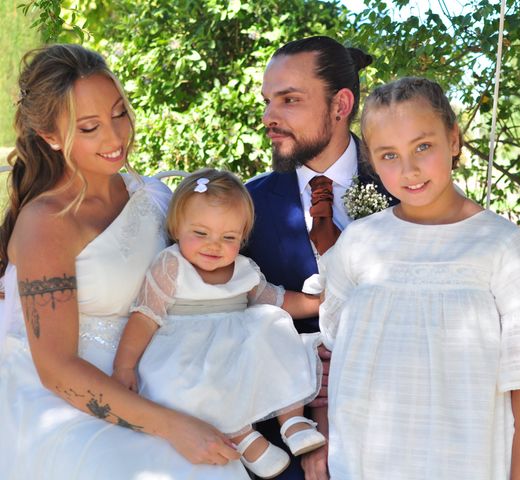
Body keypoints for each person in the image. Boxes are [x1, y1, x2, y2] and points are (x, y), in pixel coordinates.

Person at [310, 77, 520, 479]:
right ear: (371, 162)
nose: (409, 169)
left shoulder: (498, 245)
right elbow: (340, 355)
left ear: (454, 140)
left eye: (423, 147)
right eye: (389, 155)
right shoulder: (359, 244)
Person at [0, 44, 251, 479]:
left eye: (119, 114)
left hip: (157, 375)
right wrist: (173, 426)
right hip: (72, 399)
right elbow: (56, 369)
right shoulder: (47, 223)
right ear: (52, 137)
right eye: (91, 127)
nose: (115, 138)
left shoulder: (152, 195)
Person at [243, 35, 395, 479]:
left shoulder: (405, 191)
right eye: (269, 101)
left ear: (340, 104)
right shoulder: (247, 205)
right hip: (281, 429)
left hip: (393, 410)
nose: (270, 117)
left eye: (289, 100)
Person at [112, 169, 326, 479]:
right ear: (176, 227)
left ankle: (292, 421)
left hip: (236, 352)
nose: (214, 245)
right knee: (190, 387)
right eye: (200, 233)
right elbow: (145, 318)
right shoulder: (171, 266)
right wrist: (124, 367)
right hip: (189, 354)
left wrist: (319, 303)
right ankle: (246, 440)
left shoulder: (244, 269)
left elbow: (277, 300)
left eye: (228, 238)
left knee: (272, 324)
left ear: (242, 238)